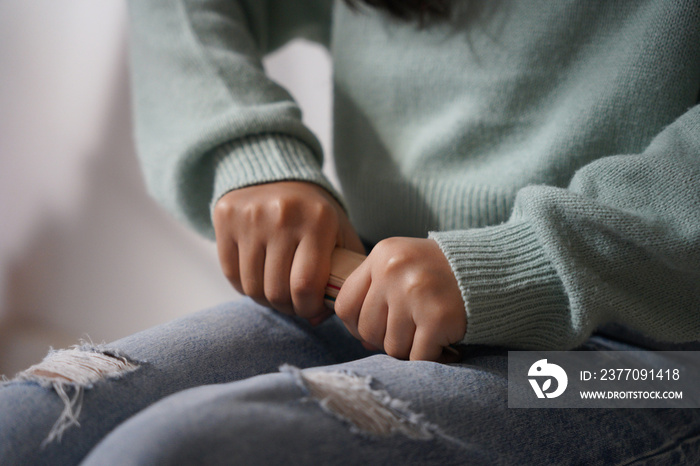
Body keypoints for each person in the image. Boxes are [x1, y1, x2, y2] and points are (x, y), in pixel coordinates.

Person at [2, 0, 700, 463]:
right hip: (366, 293)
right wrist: (246, 153)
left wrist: (529, 263)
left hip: (645, 359)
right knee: (26, 426)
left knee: (177, 453)